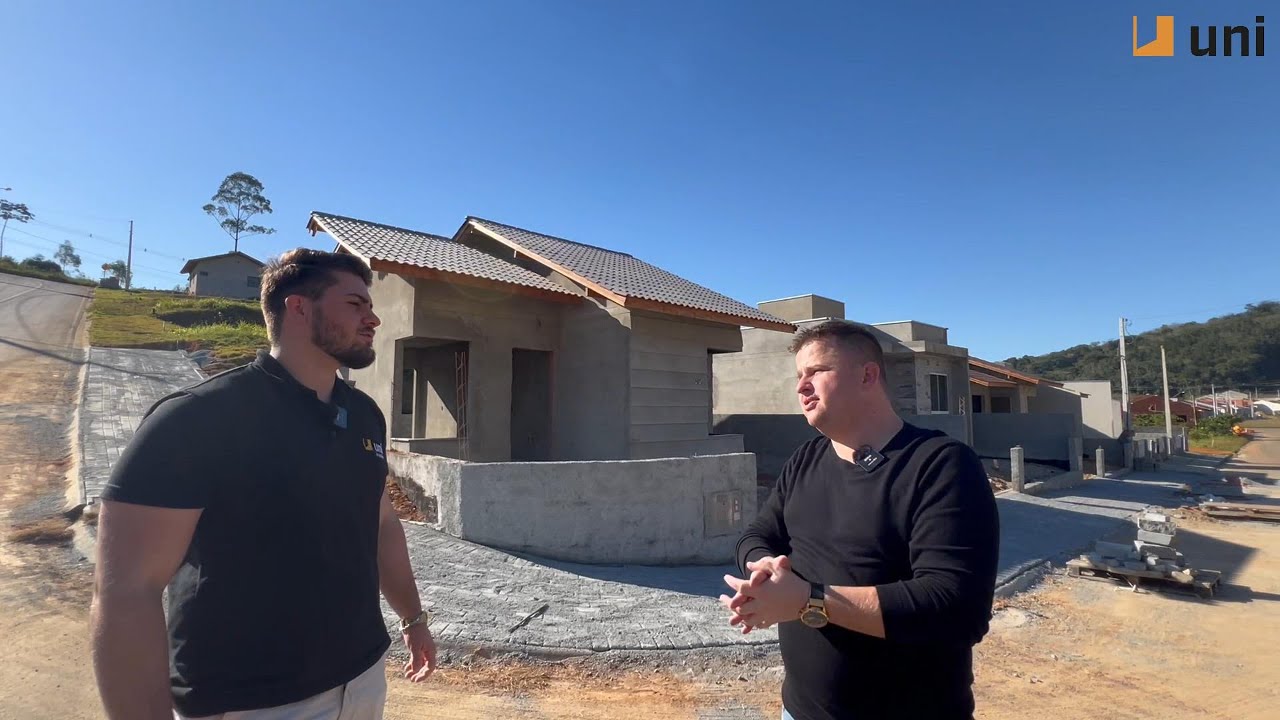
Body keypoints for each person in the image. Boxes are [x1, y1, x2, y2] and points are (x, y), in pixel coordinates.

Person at [90, 249, 436, 720]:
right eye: (355, 304)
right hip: (249, 704)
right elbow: (128, 591)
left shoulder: (363, 415)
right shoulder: (196, 419)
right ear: (298, 308)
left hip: (363, 680)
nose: (373, 318)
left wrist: (413, 619)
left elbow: (382, 523)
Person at [720, 320, 1000, 720]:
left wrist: (808, 598)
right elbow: (758, 534)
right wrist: (765, 570)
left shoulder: (941, 464)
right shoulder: (805, 459)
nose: (801, 386)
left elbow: (955, 609)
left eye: (816, 372)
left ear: (868, 375)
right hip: (798, 711)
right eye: (799, 375)